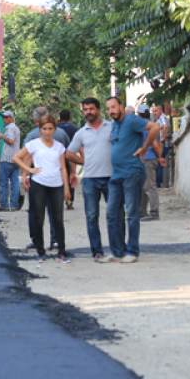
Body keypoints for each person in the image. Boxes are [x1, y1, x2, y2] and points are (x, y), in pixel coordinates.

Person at [99, 97, 166, 264]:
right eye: (108, 108)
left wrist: (144, 147)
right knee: (111, 213)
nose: (111, 111)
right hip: (116, 175)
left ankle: (132, 251)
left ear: (121, 106)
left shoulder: (130, 119)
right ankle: (117, 252)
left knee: (132, 213)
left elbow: (156, 127)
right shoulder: (114, 124)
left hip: (132, 172)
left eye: (113, 107)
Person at [14, 114, 71, 263]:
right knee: (39, 218)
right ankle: (40, 250)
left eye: (50, 129)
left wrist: (66, 188)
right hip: (39, 184)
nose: (47, 132)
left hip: (56, 185)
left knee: (58, 219)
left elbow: (63, 168)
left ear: (54, 129)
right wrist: (28, 170)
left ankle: (62, 251)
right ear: (40, 129)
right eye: (44, 129)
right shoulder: (34, 144)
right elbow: (17, 157)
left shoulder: (59, 146)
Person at [66, 97, 114, 262]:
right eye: (85, 109)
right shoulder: (81, 133)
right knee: (92, 215)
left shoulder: (112, 127)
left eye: (91, 109)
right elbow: (69, 153)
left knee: (114, 214)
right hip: (90, 180)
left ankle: (117, 248)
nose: (88, 112)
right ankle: (97, 251)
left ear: (99, 110)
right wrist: (85, 162)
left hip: (111, 178)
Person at [136, 104, 164, 221]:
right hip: (149, 158)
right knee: (143, 186)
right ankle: (141, 212)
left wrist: (158, 157)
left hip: (148, 159)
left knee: (150, 187)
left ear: (139, 115)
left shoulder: (146, 128)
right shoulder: (153, 126)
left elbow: (155, 144)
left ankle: (154, 212)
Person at [0, 110, 21, 211]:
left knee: (3, 183)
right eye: (3, 117)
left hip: (7, 159)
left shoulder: (10, 128)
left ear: (11, 118)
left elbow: (11, 141)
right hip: (16, 159)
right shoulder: (16, 128)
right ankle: (14, 205)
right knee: (15, 182)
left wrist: (2, 136)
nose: (4, 119)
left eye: (6, 117)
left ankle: (4, 205)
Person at [57, 109, 80, 210]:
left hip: (57, 157)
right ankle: (69, 201)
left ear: (60, 117)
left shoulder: (54, 128)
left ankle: (57, 199)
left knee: (58, 177)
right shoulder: (75, 130)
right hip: (70, 156)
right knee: (71, 176)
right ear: (70, 118)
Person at [151, 104, 170, 187]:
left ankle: (158, 184)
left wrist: (163, 137)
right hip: (161, 144)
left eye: (156, 111)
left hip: (163, 144)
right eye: (153, 111)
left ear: (160, 110)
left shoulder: (162, 117)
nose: (154, 113)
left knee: (159, 162)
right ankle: (158, 183)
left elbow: (165, 126)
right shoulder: (159, 118)